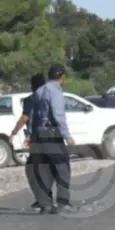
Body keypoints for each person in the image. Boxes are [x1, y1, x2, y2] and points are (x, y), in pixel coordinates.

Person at [27, 63, 76, 214]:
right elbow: (58, 115)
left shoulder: (39, 91)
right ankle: (63, 202)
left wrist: (31, 134)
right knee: (62, 168)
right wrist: (67, 136)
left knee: (44, 169)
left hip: (39, 134)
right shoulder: (55, 92)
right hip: (52, 133)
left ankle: (45, 203)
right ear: (62, 77)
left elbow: (32, 116)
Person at [12, 73, 47, 211]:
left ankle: (42, 199)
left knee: (32, 169)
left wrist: (14, 132)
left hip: (38, 138)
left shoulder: (30, 100)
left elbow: (25, 118)